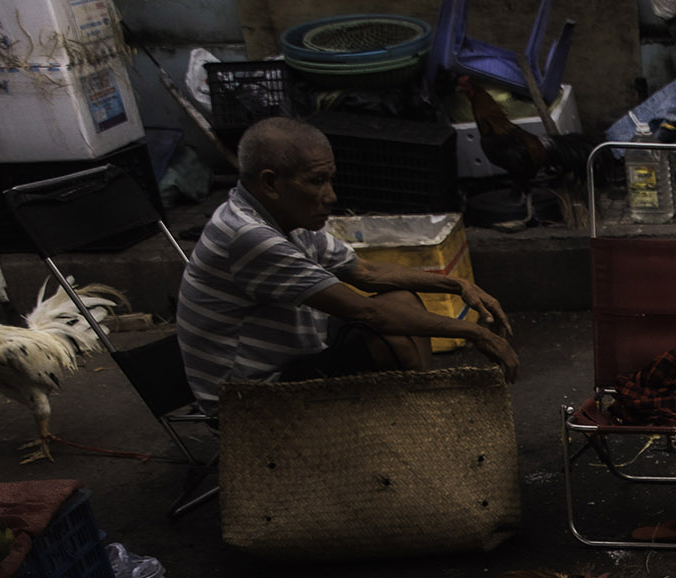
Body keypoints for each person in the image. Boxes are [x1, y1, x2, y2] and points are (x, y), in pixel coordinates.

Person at [177, 117, 519, 413]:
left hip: (298, 351)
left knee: (402, 299)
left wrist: (459, 285)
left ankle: (422, 410)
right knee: (391, 341)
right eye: (316, 181)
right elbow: (368, 312)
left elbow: (367, 273)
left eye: (330, 179)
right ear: (270, 183)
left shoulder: (286, 217)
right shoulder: (249, 236)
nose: (331, 195)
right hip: (245, 394)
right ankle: (422, 414)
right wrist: (473, 332)